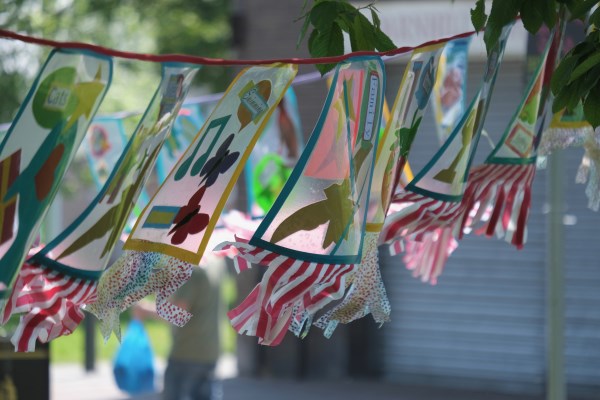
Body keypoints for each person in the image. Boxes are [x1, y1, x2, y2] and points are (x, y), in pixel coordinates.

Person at [135, 255, 225, 400]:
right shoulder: (216, 260)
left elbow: (176, 314)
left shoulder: (191, 268)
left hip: (187, 352)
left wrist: (144, 309)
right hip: (211, 350)